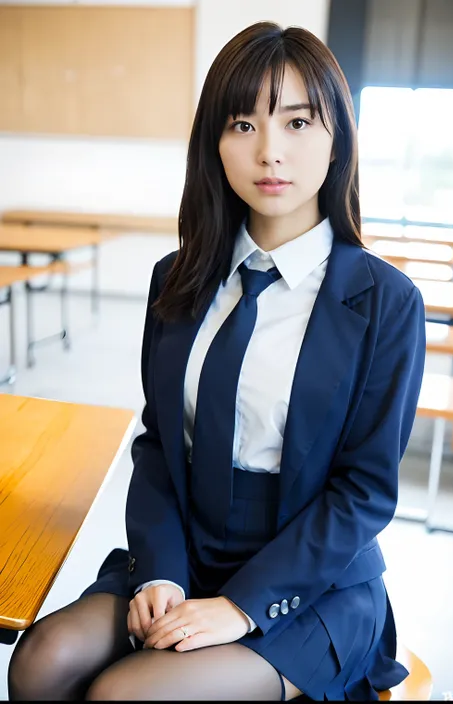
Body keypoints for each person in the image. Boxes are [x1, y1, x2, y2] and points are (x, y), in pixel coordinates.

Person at [8, 20, 426, 701]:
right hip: (190, 555)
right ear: (215, 143)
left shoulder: (384, 302)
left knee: (123, 695)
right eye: (242, 124)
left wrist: (241, 607)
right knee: (39, 663)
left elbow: (363, 495)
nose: (270, 152)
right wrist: (161, 576)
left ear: (337, 141)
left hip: (310, 585)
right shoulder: (178, 277)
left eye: (297, 123)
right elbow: (159, 448)